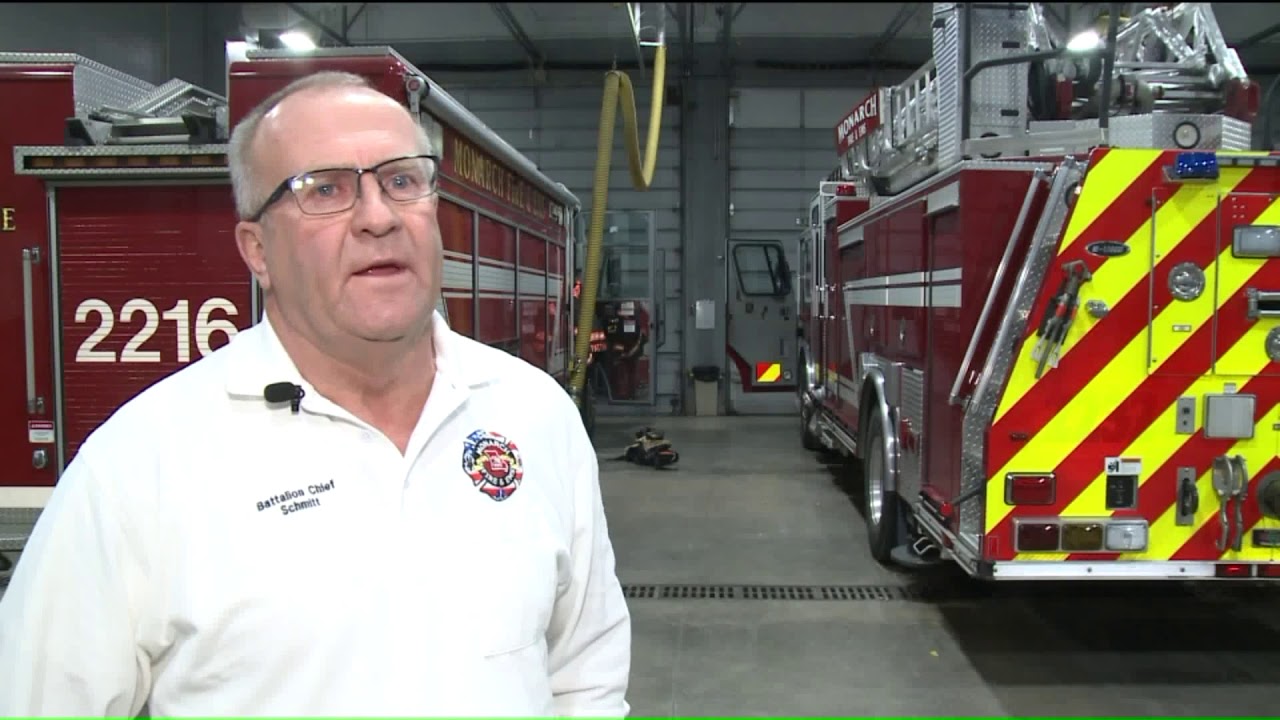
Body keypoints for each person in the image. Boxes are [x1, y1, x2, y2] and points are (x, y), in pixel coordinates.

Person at [0, 71, 631, 717]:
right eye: (324, 189)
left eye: (401, 181)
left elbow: (587, 674)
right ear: (257, 251)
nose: (379, 218)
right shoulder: (138, 467)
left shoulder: (533, 413)